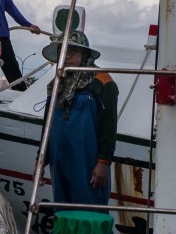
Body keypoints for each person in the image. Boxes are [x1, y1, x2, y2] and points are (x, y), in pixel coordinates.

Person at [41, 30, 118, 208]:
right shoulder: (57, 84)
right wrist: (41, 160)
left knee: (90, 214)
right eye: (62, 51)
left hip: (88, 163)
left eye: (72, 51)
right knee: (62, 213)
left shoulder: (103, 82)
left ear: (84, 54)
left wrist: (103, 163)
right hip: (59, 161)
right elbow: (47, 125)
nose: (67, 56)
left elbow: (109, 127)